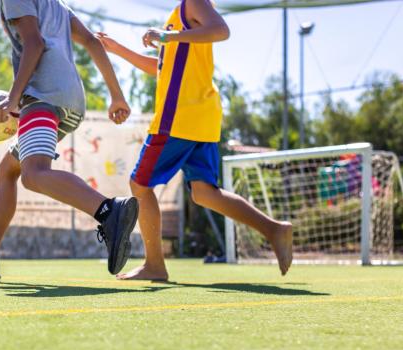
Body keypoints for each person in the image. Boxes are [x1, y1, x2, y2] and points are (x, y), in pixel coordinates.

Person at [96, 0, 293, 281]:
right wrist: (118, 49)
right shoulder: (179, 15)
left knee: (139, 184)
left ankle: (154, 265)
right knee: (204, 193)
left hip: (179, 117)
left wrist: (167, 36)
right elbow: (163, 68)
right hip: (201, 117)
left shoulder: (193, 4)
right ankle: (274, 229)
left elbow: (221, 30)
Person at [0, 0, 138, 282]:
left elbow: (35, 44)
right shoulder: (55, 5)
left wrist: (13, 98)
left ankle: (109, 210)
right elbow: (93, 42)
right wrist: (116, 95)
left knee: (33, 174)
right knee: (7, 170)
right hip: (69, 100)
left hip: (44, 98)